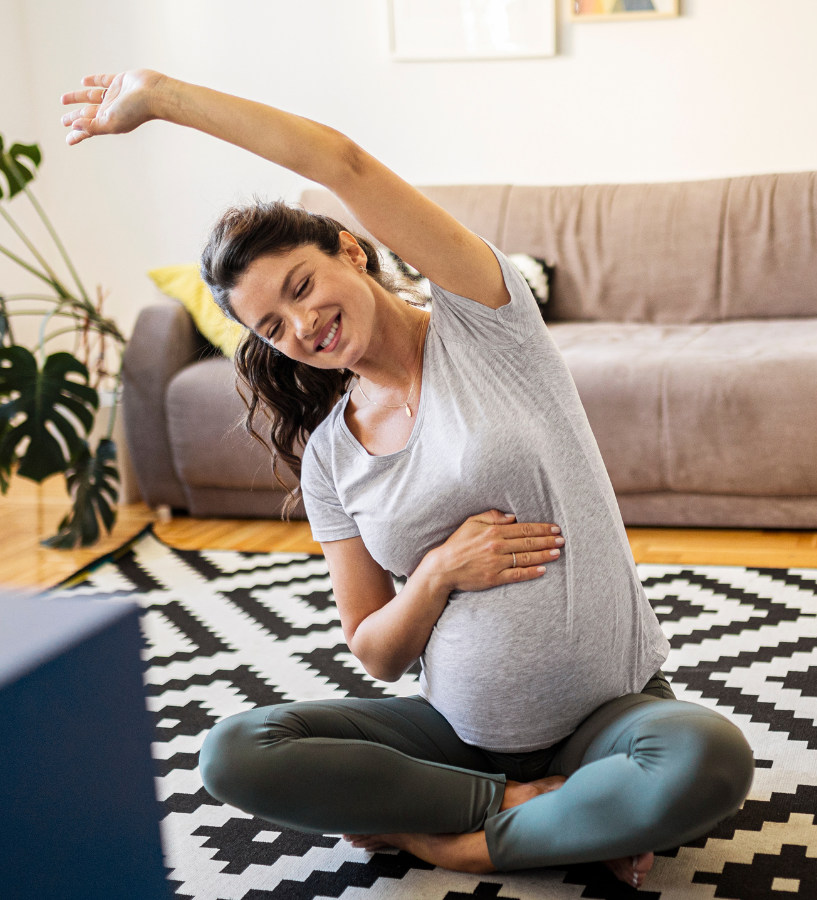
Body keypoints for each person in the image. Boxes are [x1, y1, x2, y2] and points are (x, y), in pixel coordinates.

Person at [62, 70, 754, 888]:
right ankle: (534, 812)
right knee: (234, 753)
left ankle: (448, 837)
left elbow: (343, 164)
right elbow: (377, 654)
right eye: (272, 325)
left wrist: (162, 99)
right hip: (456, 738)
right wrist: (434, 576)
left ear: (349, 250)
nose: (303, 325)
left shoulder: (487, 321)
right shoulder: (330, 455)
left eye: (302, 285)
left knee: (708, 757)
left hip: (610, 718)